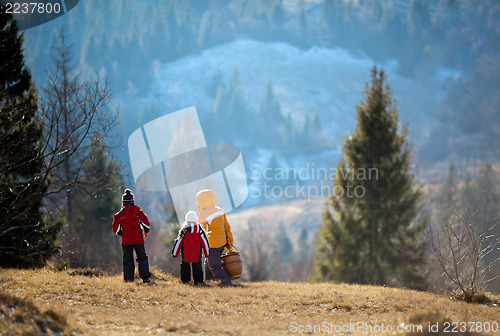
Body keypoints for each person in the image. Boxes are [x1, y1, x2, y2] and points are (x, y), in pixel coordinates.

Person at [112, 189, 152, 283]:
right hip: (138, 239)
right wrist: (146, 231)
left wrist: (121, 233)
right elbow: (146, 223)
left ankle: (129, 279)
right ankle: (145, 278)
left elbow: (115, 228)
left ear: (123, 202)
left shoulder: (119, 215)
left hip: (126, 240)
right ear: (133, 201)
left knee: (128, 260)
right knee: (142, 258)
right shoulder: (138, 212)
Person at [196, 189, 234, 285]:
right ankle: (208, 281)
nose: (198, 204)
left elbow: (200, 230)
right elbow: (227, 227)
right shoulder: (220, 211)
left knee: (215, 266)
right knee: (208, 262)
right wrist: (229, 242)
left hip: (212, 244)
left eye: (199, 202)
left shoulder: (203, 214)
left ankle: (227, 283)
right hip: (221, 243)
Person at [172, 211, 210, 285]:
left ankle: (185, 280)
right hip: (197, 256)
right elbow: (204, 242)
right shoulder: (200, 231)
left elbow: (178, 242)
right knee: (197, 268)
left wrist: (174, 253)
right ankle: (198, 281)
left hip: (185, 255)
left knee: (185, 267)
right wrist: (207, 253)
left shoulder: (184, 230)